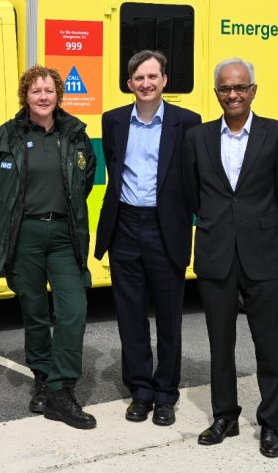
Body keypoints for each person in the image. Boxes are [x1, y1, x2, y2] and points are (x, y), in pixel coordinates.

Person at [183, 58, 278, 458]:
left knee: (268, 345)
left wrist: (259, 229)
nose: (232, 95)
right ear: (217, 93)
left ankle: (270, 424)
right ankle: (225, 417)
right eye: (225, 89)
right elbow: (192, 194)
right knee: (220, 344)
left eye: (240, 88)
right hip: (216, 254)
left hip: (262, 255)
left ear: (253, 90)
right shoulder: (197, 138)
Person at [0, 65, 98, 429]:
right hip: (25, 236)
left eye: (49, 90)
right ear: (26, 96)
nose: (43, 97)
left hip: (64, 236)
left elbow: (86, 181)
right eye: (36, 91)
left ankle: (62, 389)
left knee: (73, 309)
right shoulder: (7, 136)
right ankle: (43, 382)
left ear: (58, 95)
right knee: (34, 314)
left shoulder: (76, 134)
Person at [95, 49, 201, 426]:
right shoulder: (114, 121)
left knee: (169, 317)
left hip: (165, 228)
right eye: (139, 78)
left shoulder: (187, 122)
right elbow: (113, 167)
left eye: (152, 77)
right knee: (130, 315)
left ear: (164, 81)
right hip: (125, 225)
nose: (146, 84)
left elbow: (193, 176)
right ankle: (140, 390)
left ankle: (166, 394)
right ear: (130, 83)